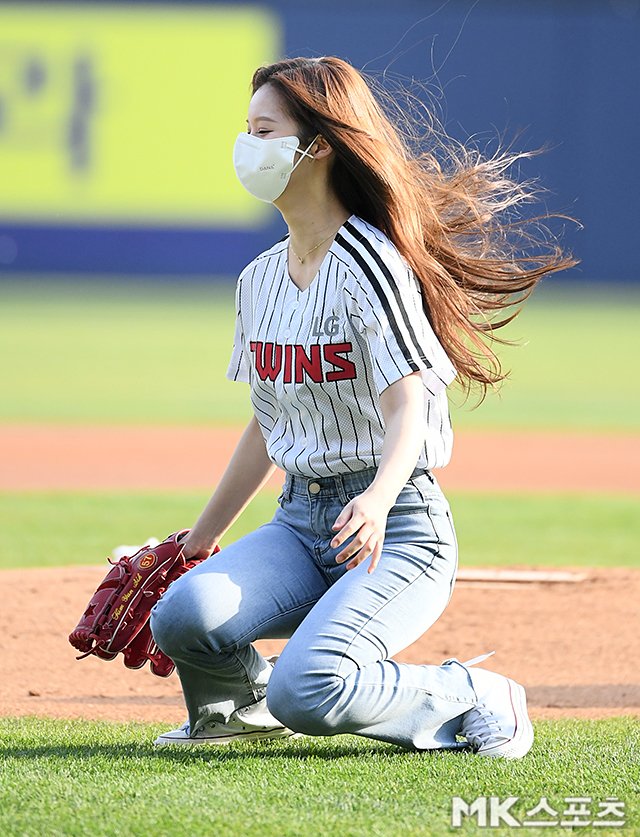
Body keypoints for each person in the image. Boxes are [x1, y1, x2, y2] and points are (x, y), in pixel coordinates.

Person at [150, 56, 574, 757]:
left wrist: (377, 499)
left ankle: (471, 692)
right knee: (183, 615)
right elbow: (266, 424)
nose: (246, 145)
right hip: (298, 523)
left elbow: (410, 405)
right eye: (245, 128)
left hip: (397, 527)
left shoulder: (370, 265)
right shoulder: (258, 279)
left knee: (308, 688)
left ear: (317, 147)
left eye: (264, 129)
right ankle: (231, 709)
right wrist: (193, 543)